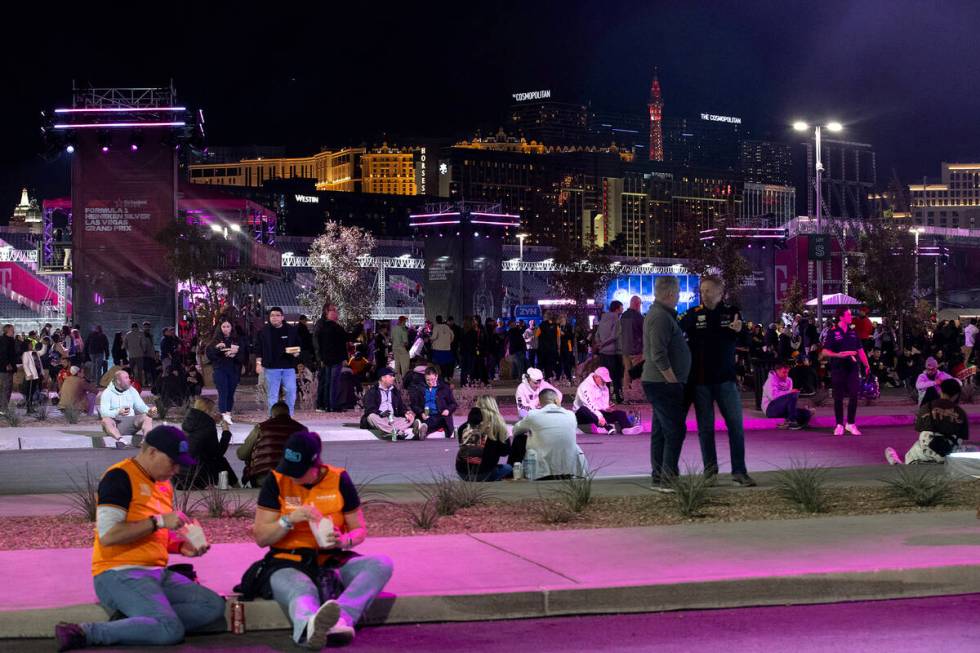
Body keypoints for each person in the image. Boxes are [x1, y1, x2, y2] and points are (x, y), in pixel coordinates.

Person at [54, 426, 225, 651]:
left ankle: (139, 623)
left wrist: (183, 547)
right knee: (169, 630)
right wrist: (159, 521)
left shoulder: (164, 484)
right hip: (118, 573)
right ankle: (84, 632)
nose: (176, 470)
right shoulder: (119, 477)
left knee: (212, 605)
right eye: (172, 462)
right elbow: (108, 535)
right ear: (152, 452)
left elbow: (153, 534)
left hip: (157, 573)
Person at [246, 432, 394, 648]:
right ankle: (308, 627)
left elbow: (359, 530)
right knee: (301, 589)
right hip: (287, 561)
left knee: (381, 564)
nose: (292, 476)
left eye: (298, 471)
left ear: (315, 464)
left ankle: (340, 619)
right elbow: (261, 537)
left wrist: (344, 541)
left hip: (331, 558)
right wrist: (288, 521)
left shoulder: (338, 479)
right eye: (288, 468)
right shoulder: (277, 481)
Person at [681, 275, 755, 486]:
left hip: (726, 380)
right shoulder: (692, 315)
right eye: (702, 291)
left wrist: (742, 331)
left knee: (736, 426)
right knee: (705, 428)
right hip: (700, 381)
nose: (703, 295)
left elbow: (748, 341)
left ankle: (739, 471)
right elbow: (675, 334)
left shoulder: (732, 313)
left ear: (720, 293)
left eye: (708, 291)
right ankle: (710, 473)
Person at [643, 276, 691, 492]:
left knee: (662, 430)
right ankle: (668, 478)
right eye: (678, 292)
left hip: (659, 382)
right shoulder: (661, 317)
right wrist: (672, 380)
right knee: (675, 430)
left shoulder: (662, 315)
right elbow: (658, 353)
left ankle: (659, 474)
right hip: (662, 383)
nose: (680, 295)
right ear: (670, 294)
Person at [886, 378, 969, 465]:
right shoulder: (961, 413)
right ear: (956, 395)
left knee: (911, 453)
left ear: (940, 391)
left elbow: (920, 429)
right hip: (948, 454)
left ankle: (900, 464)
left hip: (929, 451)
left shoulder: (927, 407)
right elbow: (962, 438)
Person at [509, 389, 588, 480]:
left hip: (541, 471)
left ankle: (512, 472)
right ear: (556, 400)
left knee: (520, 438)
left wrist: (532, 431)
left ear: (539, 403)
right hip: (569, 469)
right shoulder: (570, 415)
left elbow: (515, 431)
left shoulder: (533, 415)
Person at [821, 307, 871, 436]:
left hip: (853, 367)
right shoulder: (832, 332)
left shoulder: (853, 332)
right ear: (841, 317)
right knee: (838, 397)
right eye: (848, 315)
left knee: (854, 394)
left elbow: (860, 350)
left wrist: (866, 364)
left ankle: (850, 423)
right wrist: (839, 355)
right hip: (838, 368)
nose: (851, 316)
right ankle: (839, 424)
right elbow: (824, 351)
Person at [238, 401, 307, 488]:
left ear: (272, 415)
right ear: (289, 414)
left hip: (264, 478)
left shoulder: (261, 428)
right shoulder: (302, 430)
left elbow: (242, 454)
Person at [175, 397, 238, 489]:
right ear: (207, 411)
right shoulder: (208, 426)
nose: (216, 413)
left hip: (180, 475)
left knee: (215, 459)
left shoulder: (188, 423)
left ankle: (235, 485)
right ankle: (236, 486)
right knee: (220, 460)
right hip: (196, 475)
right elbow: (217, 453)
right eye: (213, 411)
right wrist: (226, 431)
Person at [255, 306, 302, 414]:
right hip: (271, 368)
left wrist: (297, 353)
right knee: (272, 395)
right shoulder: (264, 331)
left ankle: (289, 416)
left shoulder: (291, 330)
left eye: (277, 315)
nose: (274, 318)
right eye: (272, 315)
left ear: (282, 317)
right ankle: (273, 417)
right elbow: (259, 349)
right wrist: (258, 363)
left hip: (288, 367)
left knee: (291, 391)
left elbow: (299, 345)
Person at [572, 366, 642, 435]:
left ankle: (627, 428)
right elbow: (590, 406)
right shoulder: (585, 387)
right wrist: (600, 417)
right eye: (603, 380)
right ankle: (606, 427)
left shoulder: (604, 387)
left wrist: (607, 409)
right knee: (584, 409)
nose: (605, 382)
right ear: (596, 377)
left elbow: (604, 404)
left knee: (620, 413)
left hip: (598, 412)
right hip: (583, 414)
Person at [360, 367, 424, 440]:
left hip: (392, 419)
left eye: (393, 376)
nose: (393, 378)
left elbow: (401, 407)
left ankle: (393, 431)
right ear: (383, 378)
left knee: (410, 417)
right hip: (380, 418)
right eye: (391, 376)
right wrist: (381, 413)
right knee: (371, 417)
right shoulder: (372, 391)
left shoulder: (394, 391)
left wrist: (406, 412)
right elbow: (369, 409)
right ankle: (396, 431)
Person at [99, 370, 158, 447]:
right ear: (118, 381)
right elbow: (104, 412)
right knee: (105, 420)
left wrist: (149, 411)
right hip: (116, 423)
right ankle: (121, 440)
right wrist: (118, 412)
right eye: (126, 378)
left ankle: (145, 441)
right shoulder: (107, 393)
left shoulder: (131, 390)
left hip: (130, 422)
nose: (129, 380)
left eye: (129, 377)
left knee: (147, 417)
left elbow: (140, 406)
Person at [456, 403, 512, 481]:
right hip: (484, 473)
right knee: (508, 468)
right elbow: (505, 452)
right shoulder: (494, 428)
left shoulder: (462, 428)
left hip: (462, 473)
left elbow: (463, 447)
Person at [206, 319, 247, 425]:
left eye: (228, 326)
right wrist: (217, 348)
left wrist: (235, 354)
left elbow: (243, 355)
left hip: (233, 369)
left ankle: (228, 413)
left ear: (231, 327)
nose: (226, 329)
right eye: (223, 326)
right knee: (223, 391)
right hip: (220, 369)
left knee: (230, 392)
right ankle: (223, 414)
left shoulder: (237, 340)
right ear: (220, 328)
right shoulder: (215, 340)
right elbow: (210, 356)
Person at [314, 305, 349, 413]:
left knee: (328, 382)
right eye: (333, 311)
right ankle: (329, 405)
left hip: (327, 358)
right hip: (330, 358)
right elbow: (318, 342)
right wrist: (319, 357)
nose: (336, 313)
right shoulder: (329, 326)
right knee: (331, 382)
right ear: (326, 312)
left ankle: (326, 405)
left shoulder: (324, 325)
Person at [409, 366, 458, 439]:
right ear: (425, 378)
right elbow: (414, 404)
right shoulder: (420, 388)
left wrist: (448, 410)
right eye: (428, 380)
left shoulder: (444, 388)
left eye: (432, 379)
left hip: (440, 415)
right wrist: (421, 412)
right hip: (425, 414)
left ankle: (421, 427)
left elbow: (453, 404)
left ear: (436, 376)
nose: (430, 382)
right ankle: (420, 430)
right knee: (424, 420)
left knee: (432, 420)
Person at [762, 360, 812, 429]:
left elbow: (790, 400)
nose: (786, 374)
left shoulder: (789, 380)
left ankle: (798, 423)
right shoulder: (771, 380)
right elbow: (773, 397)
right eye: (784, 372)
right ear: (777, 371)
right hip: (770, 409)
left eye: (787, 372)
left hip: (784, 409)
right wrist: (790, 392)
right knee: (793, 394)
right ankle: (791, 421)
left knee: (807, 413)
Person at [594, 301, 625, 403]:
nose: (622, 309)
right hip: (614, 352)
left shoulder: (603, 318)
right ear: (617, 309)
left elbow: (597, 334)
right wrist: (604, 344)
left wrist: (600, 344)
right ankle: (618, 397)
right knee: (616, 377)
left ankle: (605, 399)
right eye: (621, 307)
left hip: (603, 353)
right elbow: (614, 335)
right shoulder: (616, 318)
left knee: (605, 377)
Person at [620, 296, 645, 401]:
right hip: (636, 350)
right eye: (639, 304)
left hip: (625, 349)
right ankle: (637, 395)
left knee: (627, 371)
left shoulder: (623, 316)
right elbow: (644, 333)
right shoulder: (638, 317)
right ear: (636, 304)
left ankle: (626, 394)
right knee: (637, 372)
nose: (640, 306)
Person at [21, 340, 44, 414]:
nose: (31, 345)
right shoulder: (25, 354)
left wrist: (45, 345)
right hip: (31, 376)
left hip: (36, 375)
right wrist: (28, 374)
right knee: (29, 392)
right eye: (30, 344)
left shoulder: (35, 352)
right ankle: (28, 407)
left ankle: (30, 407)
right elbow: (25, 364)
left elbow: (42, 352)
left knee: (33, 391)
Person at [430, 315, 455, 382]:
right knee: (446, 363)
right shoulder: (447, 327)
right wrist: (449, 342)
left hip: (438, 349)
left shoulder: (436, 327)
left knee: (439, 364)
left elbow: (434, 337)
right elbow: (452, 335)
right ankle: (447, 376)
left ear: (436, 320)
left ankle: (442, 377)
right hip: (447, 348)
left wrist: (430, 339)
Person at [0, 324, 16, 416]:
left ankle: (3, 408)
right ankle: (3, 409)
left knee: (5, 388)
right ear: (8, 330)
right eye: (12, 329)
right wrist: (7, 364)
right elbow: (4, 353)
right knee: (6, 388)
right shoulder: (6, 340)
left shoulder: (7, 339)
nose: (13, 330)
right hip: (6, 368)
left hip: (5, 367)